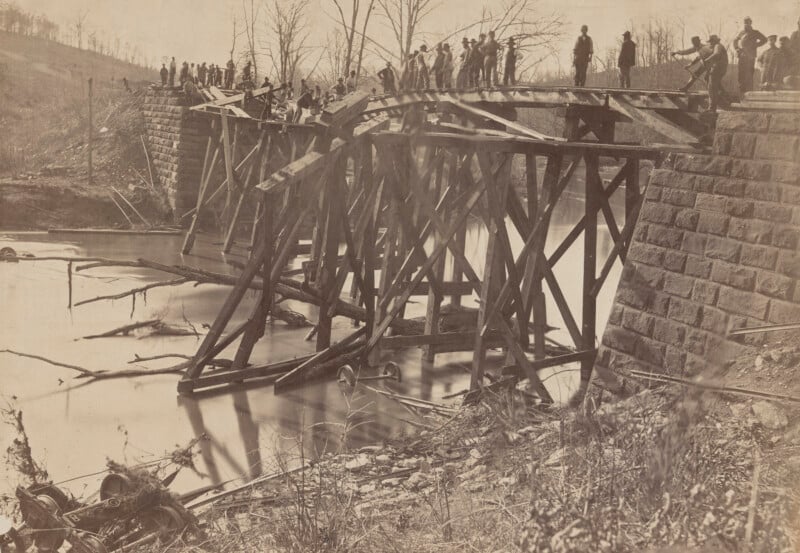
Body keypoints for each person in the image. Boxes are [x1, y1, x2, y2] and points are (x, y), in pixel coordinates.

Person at [733, 17, 767, 95]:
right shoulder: (741, 32)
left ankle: (749, 94)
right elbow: (735, 40)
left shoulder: (755, 32)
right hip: (742, 56)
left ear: (750, 23)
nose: (746, 24)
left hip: (750, 56)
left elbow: (764, 39)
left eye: (747, 23)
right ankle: (741, 93)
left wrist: (755, 45)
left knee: (749, 75)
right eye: (745, 23)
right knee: (741, 75)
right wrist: (737, 48)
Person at [703, 35, 728, 111]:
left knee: (711, 88)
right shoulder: (718, 46)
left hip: (718, 68)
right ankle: (725, 97)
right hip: (720, 68)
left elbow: (717, 54)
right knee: (712, 83)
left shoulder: (717, 46)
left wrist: (707, 60)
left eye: (711, 41)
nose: (710, 43)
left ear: (714, 41)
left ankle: (712, 107)